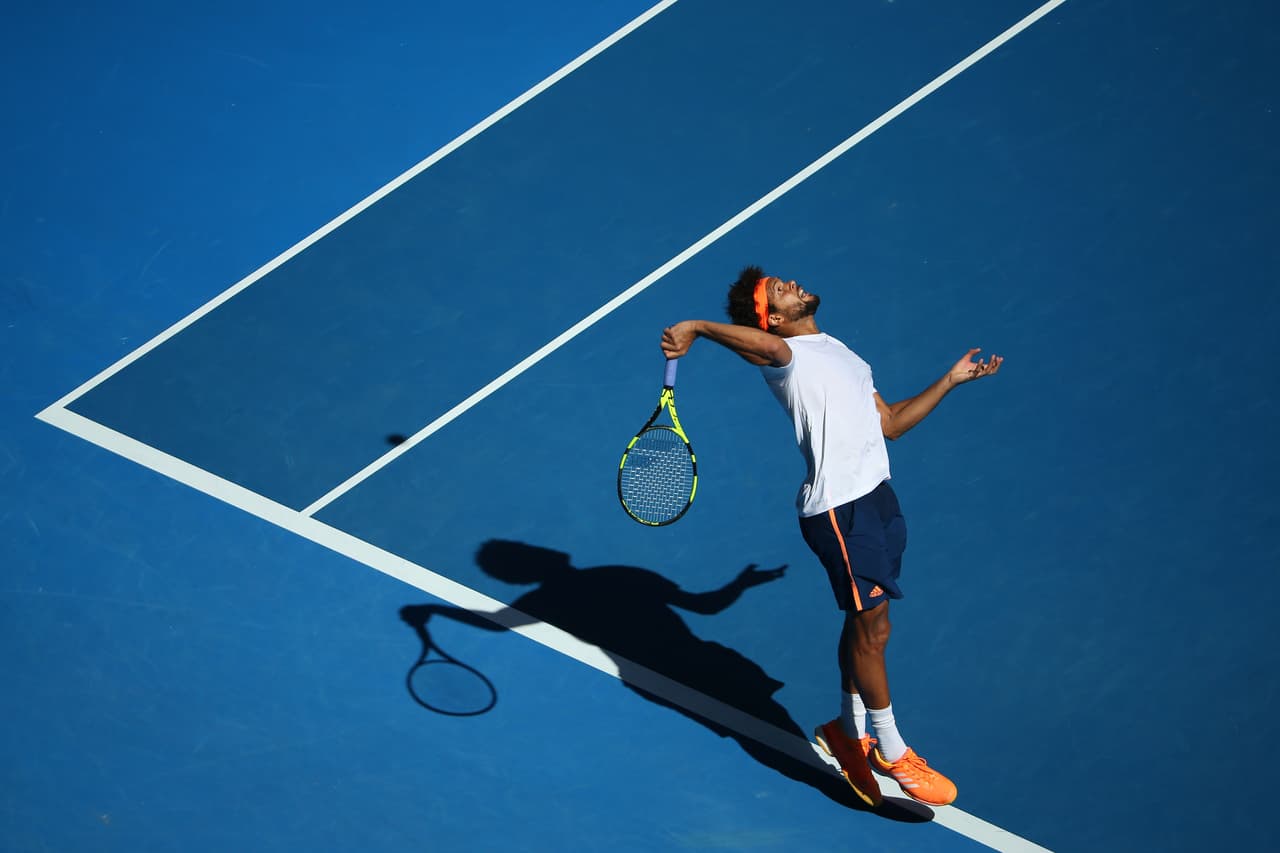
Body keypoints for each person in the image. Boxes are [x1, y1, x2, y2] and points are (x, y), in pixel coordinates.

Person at [659, 266, 1002, 809]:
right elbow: (761, 349)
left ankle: (847, 730)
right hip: (841, 511)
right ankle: (890, 748)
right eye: (777, 289)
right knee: (873, 629)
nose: (791, 283)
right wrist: (698, 326)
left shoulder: (839, 351)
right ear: (772, 319)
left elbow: (889, 422)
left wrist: (949, 381)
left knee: (868, 619)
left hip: (879, 500)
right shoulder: (785, 356)